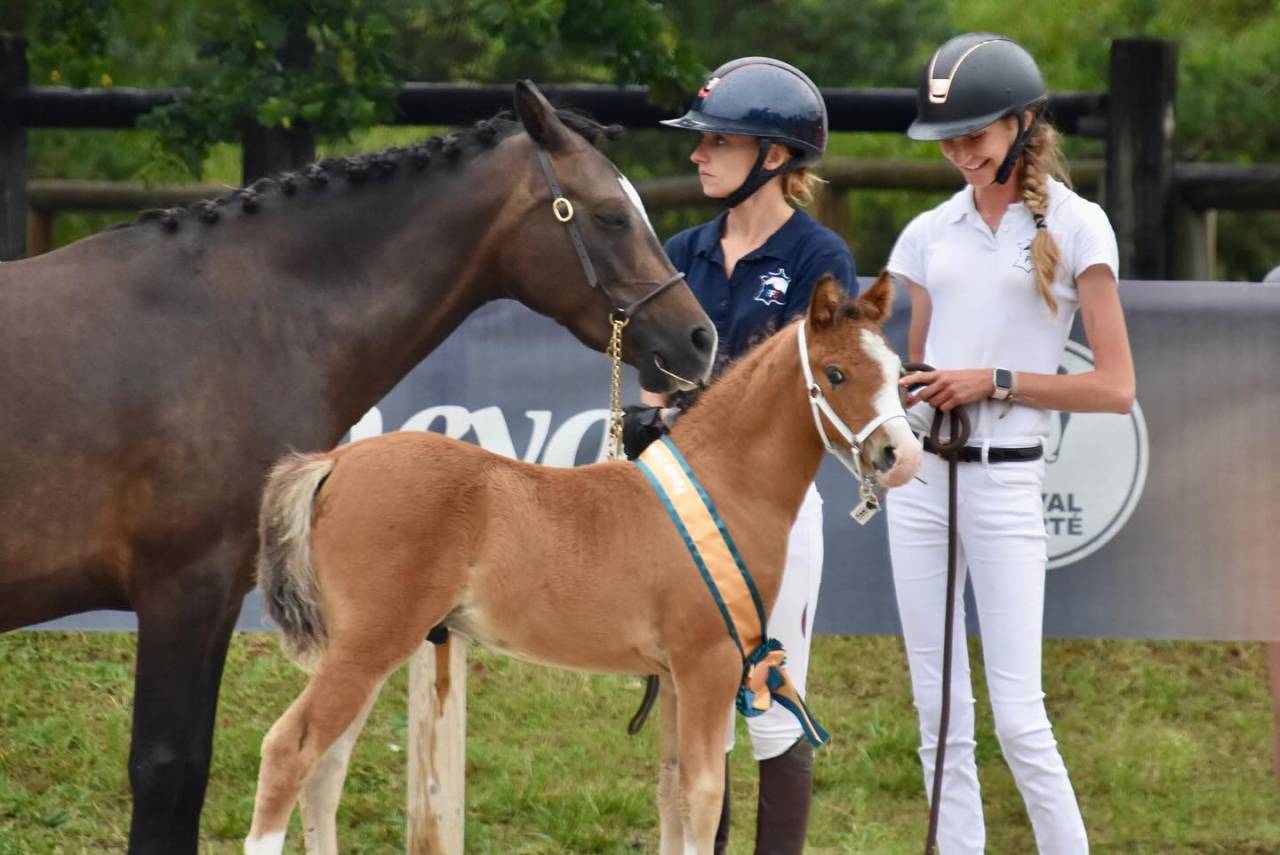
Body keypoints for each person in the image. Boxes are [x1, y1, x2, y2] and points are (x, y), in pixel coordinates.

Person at [884, 33, 1136, 854]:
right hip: (924, 481)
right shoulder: (929, 232)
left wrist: (993, 381)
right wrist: (907, 392)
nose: (961, 153)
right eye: (947, 139)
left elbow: (1115, 386)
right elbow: (920, 367)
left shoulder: (1079, 225)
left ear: (1022, 122)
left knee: (1020, 716)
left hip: (1005, 482)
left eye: (975, 135)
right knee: (937, 711)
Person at [623, 56, 855, 855]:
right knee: (703, 711)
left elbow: (812, 397)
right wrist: (650, 416)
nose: (698, 153)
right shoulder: (682, 249)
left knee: (774, 707)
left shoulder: (819, 258)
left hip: (770, 516)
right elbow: (653, 380)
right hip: (678, 513)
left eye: (718, 140)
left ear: (774, 155)